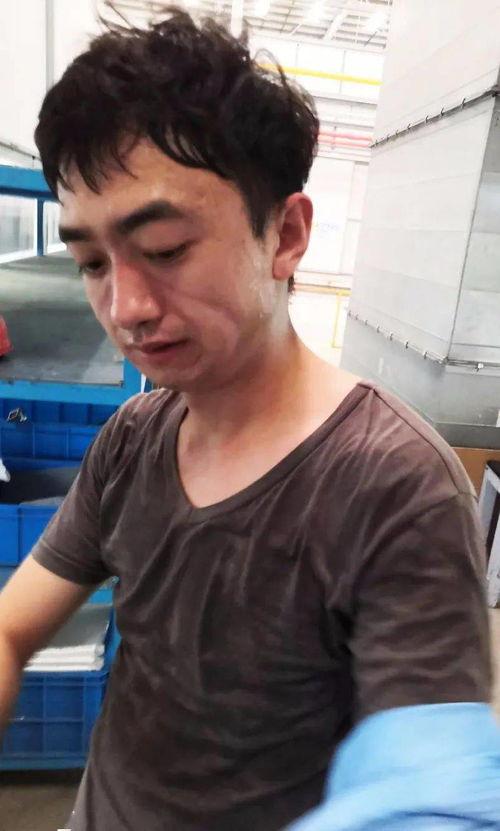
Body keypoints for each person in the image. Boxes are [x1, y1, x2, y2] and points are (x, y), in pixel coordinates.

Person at [0, 9, 495, 831]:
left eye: (164, 249)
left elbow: (431, 789)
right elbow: (12, 627)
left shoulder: (395, 486)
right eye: (91, 262)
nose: (124, 306)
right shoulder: (134, 439)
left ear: (287, 235)